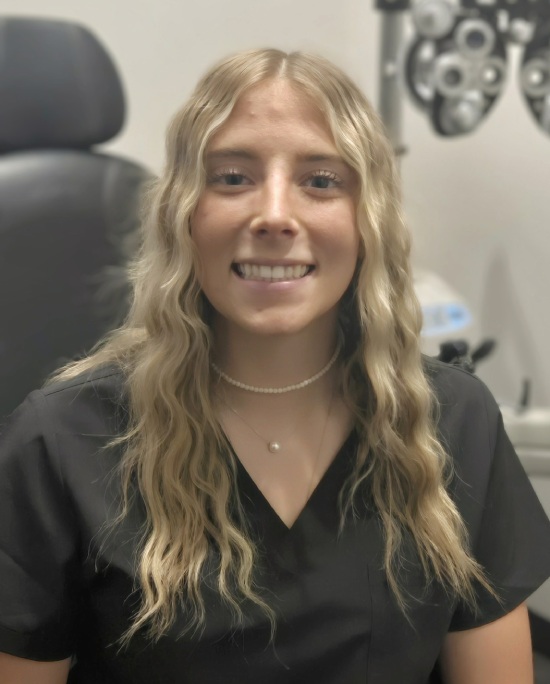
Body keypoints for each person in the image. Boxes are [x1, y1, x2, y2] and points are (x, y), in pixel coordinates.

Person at [0, 48, 549, 684]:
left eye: (322, 181)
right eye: (232, 177)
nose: (275, 216)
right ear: (182, 213)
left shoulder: (454, 421)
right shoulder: (66, 439)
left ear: (368, 219)